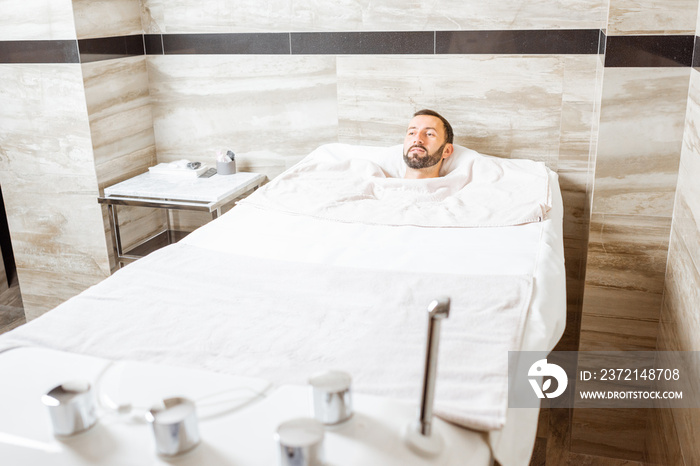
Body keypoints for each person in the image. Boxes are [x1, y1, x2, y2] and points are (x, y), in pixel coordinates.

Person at [403, 109, 454, 179]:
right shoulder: (384, 185)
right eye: (412, 133)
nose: (417, 140)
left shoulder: (457, 189)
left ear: (446, 151)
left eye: (429, 134)